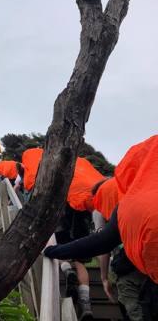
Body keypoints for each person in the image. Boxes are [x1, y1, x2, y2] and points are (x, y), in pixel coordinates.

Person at [44, 135, 158, 321]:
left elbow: (101, 242)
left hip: (136, 270)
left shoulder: (131, 205)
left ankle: (67, 271)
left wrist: (53, 250)